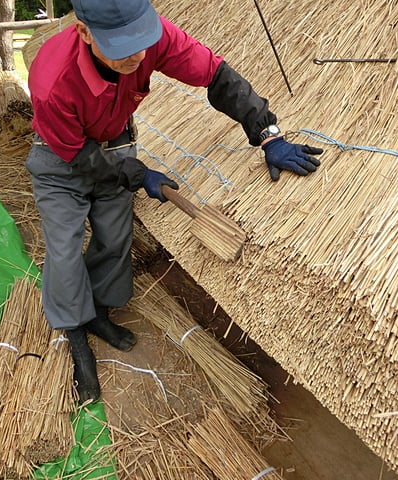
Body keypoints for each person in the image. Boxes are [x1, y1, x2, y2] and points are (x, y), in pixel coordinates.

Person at [25, 0, 323, 403]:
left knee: (114, 238)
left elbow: (216, 76)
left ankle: (97, 312)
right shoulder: (52, 78)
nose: (136, 56)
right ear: (84, 33)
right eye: (121, 48)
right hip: (61, 158)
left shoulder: (154, 37)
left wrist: (266, 131)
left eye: (141, 43)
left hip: (116, 144)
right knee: (63, 249)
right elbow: (76, 155)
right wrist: (135, 174)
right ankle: (75, 333)